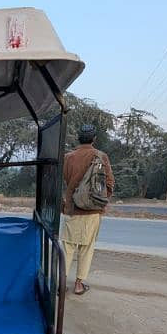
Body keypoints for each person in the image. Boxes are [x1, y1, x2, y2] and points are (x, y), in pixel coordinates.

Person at [61, 125, 114, 295]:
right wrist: (101, 201)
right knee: (86, 248)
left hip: (71, 210)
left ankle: (61, 285)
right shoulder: (101, 156)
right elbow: (110, 183)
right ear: (94, 138)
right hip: (92, 212)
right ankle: (78, 285)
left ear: (78, 138)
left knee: (67, 248)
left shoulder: (67, 157)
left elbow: (63, 181)